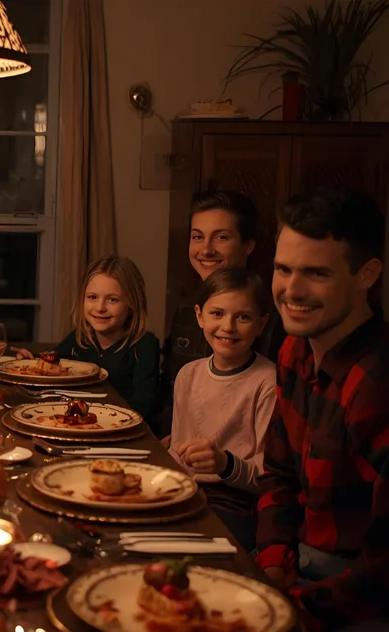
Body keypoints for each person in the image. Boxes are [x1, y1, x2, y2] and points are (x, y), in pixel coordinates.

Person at [257, 187, 388, 630]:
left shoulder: (375, 382)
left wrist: (299, 610)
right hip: (297, 564)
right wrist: (272, 562)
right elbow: (279, 472)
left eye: (316, 273)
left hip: (357, 595)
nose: (291, 290)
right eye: (282, 269)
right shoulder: (294, 349)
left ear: (367, 274)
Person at [157, 188, 283, 436]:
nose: (206, 250)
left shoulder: (271, 315)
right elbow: (170, 392)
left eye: (221, 237)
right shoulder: (186, 308)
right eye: (197, 237)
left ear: (248, 245)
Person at [166, 268, 276, 550]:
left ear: (261, 324)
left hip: (235, 504)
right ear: (199, 315)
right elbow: (177, 452)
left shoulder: (267, 381)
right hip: (183, 492)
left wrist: (224, 464)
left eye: (243, 317)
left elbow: (268, 478)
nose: (228, 326)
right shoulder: (188, 375)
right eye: (217, 314)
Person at [55, 256, 160, 419]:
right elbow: (51, 371)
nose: (100, 308)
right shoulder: (79, 338)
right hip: (77, 423)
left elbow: (144, 404)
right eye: (92, 297)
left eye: (112, 300)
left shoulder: (144, 344)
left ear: (132, 304)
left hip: (122, 429)